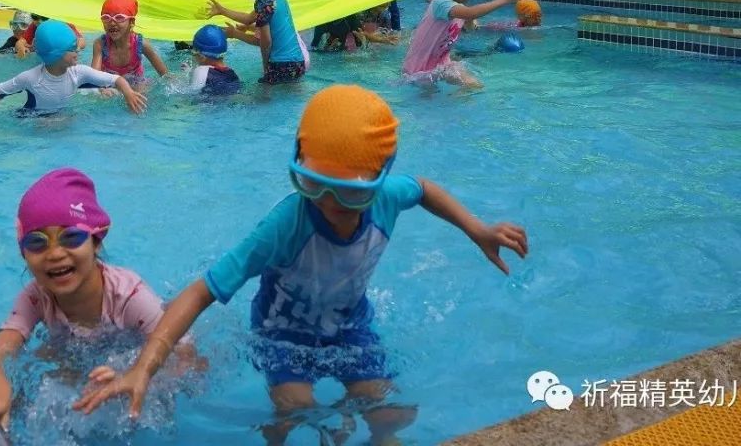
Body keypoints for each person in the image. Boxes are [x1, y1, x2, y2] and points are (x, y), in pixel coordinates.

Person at [74, 85, 529, 435]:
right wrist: (143, 368)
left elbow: (423, 188)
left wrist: (477, 229)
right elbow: (202, 291)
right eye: (313, 184)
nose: (329, 202)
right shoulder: (286, 224)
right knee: (295, 409)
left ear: (378, 178)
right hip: (281, 335)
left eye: (350, 192)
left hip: (350, 329)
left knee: (388, 413)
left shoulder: (388, 198)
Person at [0, 168, 184, 432]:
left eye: (71, 237)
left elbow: (187, 361)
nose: (55, 253)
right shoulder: (35, 297)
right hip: (74, 348)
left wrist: (136, 376)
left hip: (131, 346)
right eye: (37, 242)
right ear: (24, 254)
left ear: (96, 241)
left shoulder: (130, 297)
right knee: (28, 392)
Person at [0, 19, 146, 116]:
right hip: (32, 120)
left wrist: (128, 93)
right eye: (71, 48)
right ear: (56, 55)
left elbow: (116, 79)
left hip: (61, 115)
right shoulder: (30, 78)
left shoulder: (78, 72)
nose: (77, 49)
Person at [401, 0, 524, 89]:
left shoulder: (457, 6)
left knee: (473, 85)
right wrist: (504, 0)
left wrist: (470, 23)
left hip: (442, 64)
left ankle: (459, 107)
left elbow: (469, 25)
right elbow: (471, 13)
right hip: (419, 70)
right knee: (428, 99)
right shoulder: (441, 4)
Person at [208, 0, 305, 84]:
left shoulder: (264, 1)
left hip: (280, 63)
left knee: (265, 98)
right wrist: (222, 11)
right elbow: (248, 18)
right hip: (297, 61)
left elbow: (264, 42)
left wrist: (266, 68)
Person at [91, 0, 168, 84]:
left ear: (131, 22)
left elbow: (164, 75)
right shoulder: (100, 44)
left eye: (119, 17)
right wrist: (101, 89)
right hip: (110, 82)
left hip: (135, 81)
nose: (112, 23)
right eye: (106, 18)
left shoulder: (141, 44)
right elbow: (93, 78)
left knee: (141, 89)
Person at [185, 25, 241, 95]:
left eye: (194, 52)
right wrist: (190, 72)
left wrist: (172, 80)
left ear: (202, 56)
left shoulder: (200, 71)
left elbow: (191, 95)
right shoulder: (233, 73)